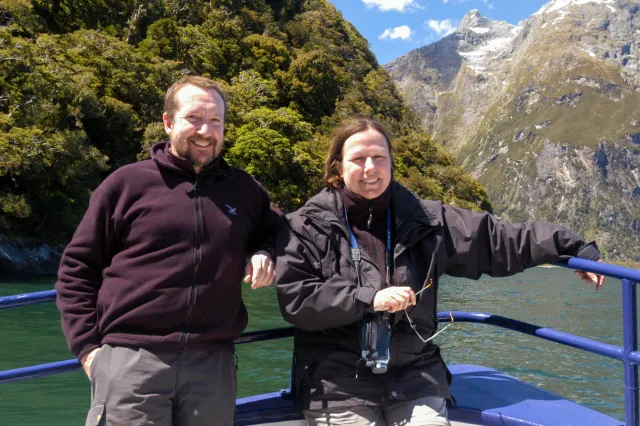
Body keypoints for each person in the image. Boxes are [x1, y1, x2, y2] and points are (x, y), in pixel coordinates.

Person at [275, 117, 605, 426]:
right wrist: (369, 299)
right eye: (358, 159)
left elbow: (497, 239)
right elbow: (298, 299)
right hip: (338, 380)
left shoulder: (426, 219)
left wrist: (572, 246)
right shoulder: (307, 225)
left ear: (391, 162)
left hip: (414, 374)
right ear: (338, 166)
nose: (370, 168)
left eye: (379, 157)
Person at [55, 75, 280, 426]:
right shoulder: (126, 184)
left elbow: (283, 232)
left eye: (215, 121)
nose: (205, 130)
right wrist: (88, 351)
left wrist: (265, 250)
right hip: (132, 361)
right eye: (193, 118)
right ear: (168, 121)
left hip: (213, 366)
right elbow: (77, 269)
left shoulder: (246, 191)